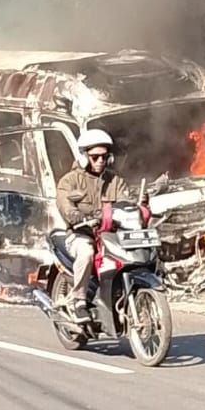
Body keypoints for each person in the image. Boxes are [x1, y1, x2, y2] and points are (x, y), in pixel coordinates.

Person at [54, 128, 145, 323]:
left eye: (104, 156)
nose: (100, 161)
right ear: (84, 157)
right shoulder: (69, 182)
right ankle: (78, 300)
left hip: (111, 235)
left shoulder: (116, 181)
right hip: (81, 234)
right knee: (86, 252)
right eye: (95, 157)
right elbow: (65, 207)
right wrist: (79, 218)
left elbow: (125, 203)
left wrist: (138, 207)